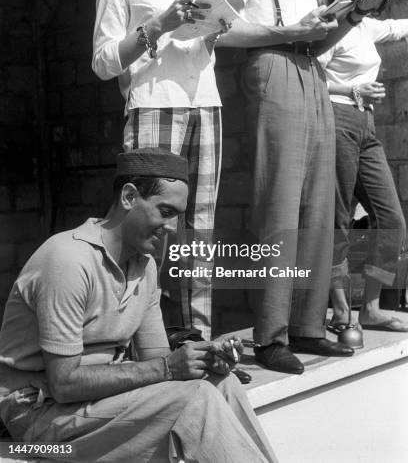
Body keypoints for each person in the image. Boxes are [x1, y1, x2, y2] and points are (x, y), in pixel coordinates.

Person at [0, 148, 277, 463]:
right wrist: (169, 368)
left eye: (178, 215)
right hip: (35, 422)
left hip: (93, 405)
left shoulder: (143, 266)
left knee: (220, 383)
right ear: (129, 197)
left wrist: (202, 360)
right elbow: (63, 384)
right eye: (165, 211)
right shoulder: (68, 260)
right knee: (194, 400)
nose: (173, 227)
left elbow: (159, 361)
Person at [217, 0, 388, 373]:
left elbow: (313, 41)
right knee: (279, 206)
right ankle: (270, 334)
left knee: (318, 206)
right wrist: (285, 29)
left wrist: (355, 14)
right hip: (272, 69)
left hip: (310, 71)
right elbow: (220, 31)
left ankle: (309, 326)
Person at [93, 0, 227, 341]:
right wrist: (160, 24)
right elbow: (104, 61)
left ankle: (197, 340)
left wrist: (212, 32)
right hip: (153, 105)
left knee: (200, 226)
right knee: (147, 223)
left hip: (205, 105)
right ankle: (139, 345)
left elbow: (190, 52)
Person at [317, 0, 408, 333]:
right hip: (338, 120)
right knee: (340, 220)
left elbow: (397, 28)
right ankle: (340, 310)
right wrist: (352, 89)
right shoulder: (329, 26)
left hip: (365, 126)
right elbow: (311, 78)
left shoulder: (366, 26)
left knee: (392, 221)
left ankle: (370, 307)